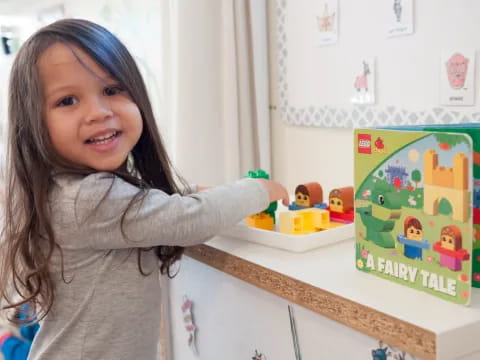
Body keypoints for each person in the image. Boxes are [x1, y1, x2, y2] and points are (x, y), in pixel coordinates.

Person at [0, 19, 289, 360]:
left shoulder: (63, 189)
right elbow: (191, 221)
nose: (99, 112)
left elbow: (141, 202)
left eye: (111, 90)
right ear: (33, 124)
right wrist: (256, 189)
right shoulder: (88, 199)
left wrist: (190, 189)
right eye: (68, 101)